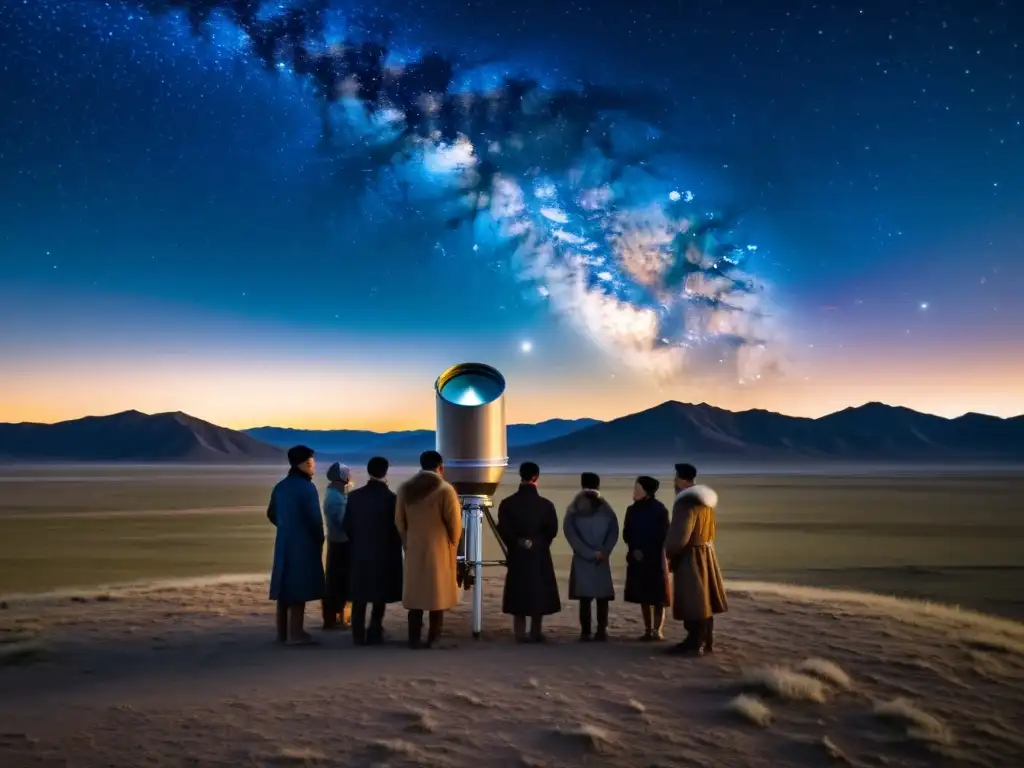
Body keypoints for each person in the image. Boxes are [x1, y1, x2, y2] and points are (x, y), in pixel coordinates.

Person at [395, 450, 461, 649]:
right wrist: (452, 544)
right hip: (439, 550)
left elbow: (399, 521)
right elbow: (454, 524)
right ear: (441, 467)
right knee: (436, 596)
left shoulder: (405, 488)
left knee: (416, 595)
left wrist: (407, 541)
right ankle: (434, 638)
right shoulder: (445, 490)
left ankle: (413, 638)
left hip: (414, 547)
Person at [664, 463, 728, 655]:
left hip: (691, 556)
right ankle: (706, 639)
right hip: (706, 552)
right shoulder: (705, 501)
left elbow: (680, 536)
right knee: (704, 599)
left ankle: (694, 642)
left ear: (682, 480)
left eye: (676, 478)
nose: (674, 481)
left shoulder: (685, 503)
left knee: (693, 599)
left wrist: (668, 553)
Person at [267, 445, 326, 646]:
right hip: (302, 545)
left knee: (285, 587)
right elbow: (314, 519)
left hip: (284, 543)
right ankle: (296, 633)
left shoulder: (280, 486)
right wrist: (318, 539)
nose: (314, 466)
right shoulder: (307, 488)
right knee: (298, 587)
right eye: (312, 462)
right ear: (306, 463)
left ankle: (282, 633)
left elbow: (271, 514)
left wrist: (286, 526)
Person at [496, 461, 562, 643]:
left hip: (518, 555)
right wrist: (538, 543)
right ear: (536, 478)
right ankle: (536, 632)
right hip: (539, 554)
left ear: (521, 476)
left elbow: (503, 529)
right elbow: (551, 530)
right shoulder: (545, 505)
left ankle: (519, 633)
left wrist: (518, 542)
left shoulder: (508, 503)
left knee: (519, 592)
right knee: (538, 592)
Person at [343, 456, 404, 645]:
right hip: (384, 554)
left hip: (360, 553)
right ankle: (375, 631)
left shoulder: (354, 497)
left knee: (359, 595)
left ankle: (357, 634)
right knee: (380, 595)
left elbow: (346, 525)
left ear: (368, 471)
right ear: (386, 472)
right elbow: (398, 529)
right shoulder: (392, 499)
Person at [563, 472, 619, 641]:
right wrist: (604, 552)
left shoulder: (574, 508)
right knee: (602, 597)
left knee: (584, 598)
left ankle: (585, 631)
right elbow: (614, 531)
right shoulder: (606, 508)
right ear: (598, 485)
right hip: (601, 559)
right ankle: (602, 630)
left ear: (582, 484)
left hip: (582, 559)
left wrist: (586, 552)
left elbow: (570, 534)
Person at [623, 475, 672, 641]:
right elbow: (627, 533)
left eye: (637, 489)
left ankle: (657, 630)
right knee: (643, 595)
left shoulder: (660, 510)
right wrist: (634, 549)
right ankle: (648, 629)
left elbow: (664, 535)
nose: (634, 492)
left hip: (655, 558)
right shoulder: (632, 510)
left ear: (647, 491)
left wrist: (645, 549)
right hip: (637, 557)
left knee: (658, 597)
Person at [321, 462, 354, 630]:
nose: (350, 477)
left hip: (338, 541)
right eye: (348, 474)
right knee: (339, 581)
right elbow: (343, 522)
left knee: (337, 580)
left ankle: (337, 617)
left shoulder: (336, 493)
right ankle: (336, 618)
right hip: (341, 544)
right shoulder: (336, 497)